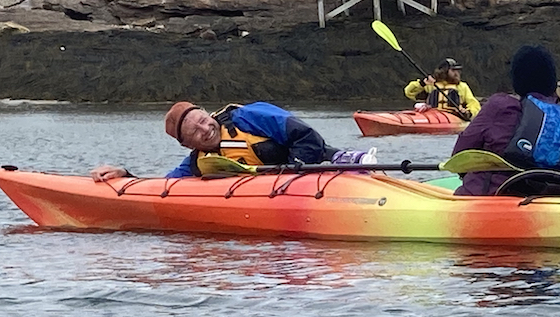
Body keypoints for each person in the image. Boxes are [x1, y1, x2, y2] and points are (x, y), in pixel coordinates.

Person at [451, 45, 560, 196]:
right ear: (552, 83)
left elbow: (460, 158)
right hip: (552, 208)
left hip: (488, 204)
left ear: (517, 83)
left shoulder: (499, 107)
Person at [90, 101, 375, 181]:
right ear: (188, 144)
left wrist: (292, 172)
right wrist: (126, 176)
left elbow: (307, 137)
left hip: (320, 170)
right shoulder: (198, 164)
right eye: (196, 132)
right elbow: (163, 188)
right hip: (280, 193)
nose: (205, 128)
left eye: (202, 119)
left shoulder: (249, 116)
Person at [403, 58, 481, 121]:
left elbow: (474, 104)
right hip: (431, 115)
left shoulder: (462, 86)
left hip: (454, 116)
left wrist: (468, 112)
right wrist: (422, 83)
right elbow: (409, 92)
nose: (457, 73)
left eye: (458, 71)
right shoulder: (431, 85)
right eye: (453, 70)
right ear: (444, 71)